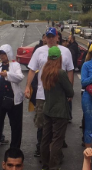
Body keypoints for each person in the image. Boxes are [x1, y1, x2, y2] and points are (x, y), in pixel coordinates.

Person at [25, 28, 74, 157]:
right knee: (42, 124)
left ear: (57, 37)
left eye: (53, 36)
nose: (51, 39)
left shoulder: (65, 51)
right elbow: (31, 70)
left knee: (58, 125)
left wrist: (70, 90)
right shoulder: (39, 51)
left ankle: (56, 152)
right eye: (48, 36)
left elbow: (70, 71)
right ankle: (40, 148)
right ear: (45, 38)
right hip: (42, 95)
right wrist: (27, 87)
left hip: (59, 96)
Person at [39, 46, 74, 170]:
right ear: (60, 58)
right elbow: (70, 91)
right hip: (60, 111)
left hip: (47, 109)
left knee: (45, 139)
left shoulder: (45, 72)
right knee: (57, 141)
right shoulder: (60, 73)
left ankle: (45, 168)